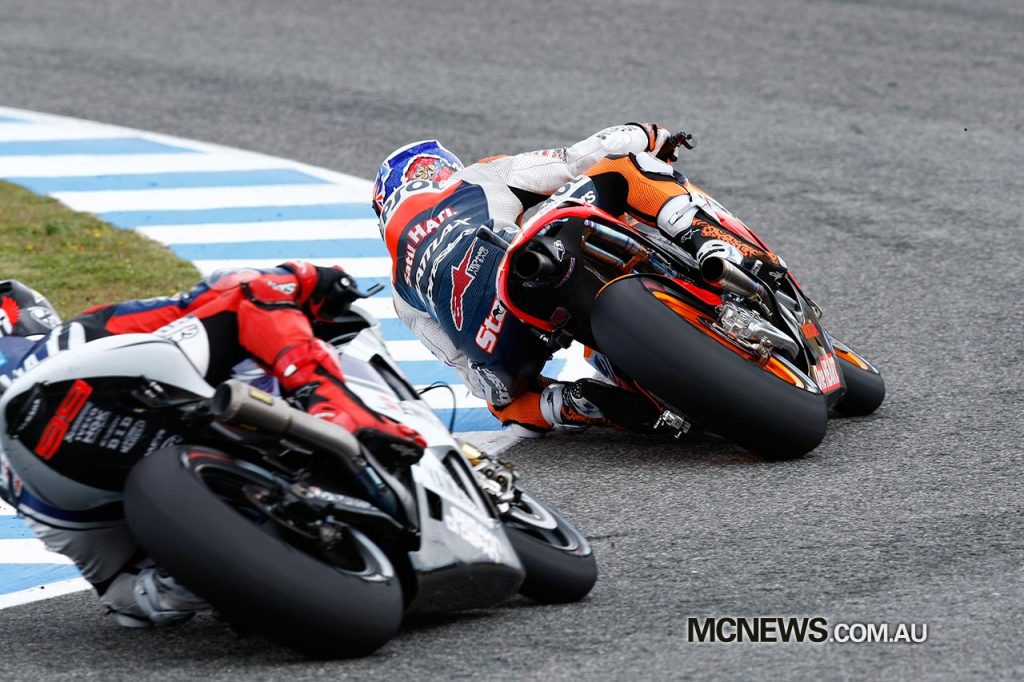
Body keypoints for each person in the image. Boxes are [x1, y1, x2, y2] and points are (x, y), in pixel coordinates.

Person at [0, 264, 424, 627]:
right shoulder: (71, 339)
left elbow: (113, 586)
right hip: (87, 399)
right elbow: (231, 291)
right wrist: (312, 278)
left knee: (128, 600)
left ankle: (184, 583)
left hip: (44, 492)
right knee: (250, 293)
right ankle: (336, 406)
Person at [374, 123, 773, 436]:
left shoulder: (399, 290)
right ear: (440, 166)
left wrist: (500, 377)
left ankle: (574, 403)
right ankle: (717, 248)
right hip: (527, 264)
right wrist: (651, 134)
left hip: (495, 346)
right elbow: (577, 159)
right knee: (623, 168)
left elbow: (467, 369)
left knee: (505, 405)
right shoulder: (476, 176)